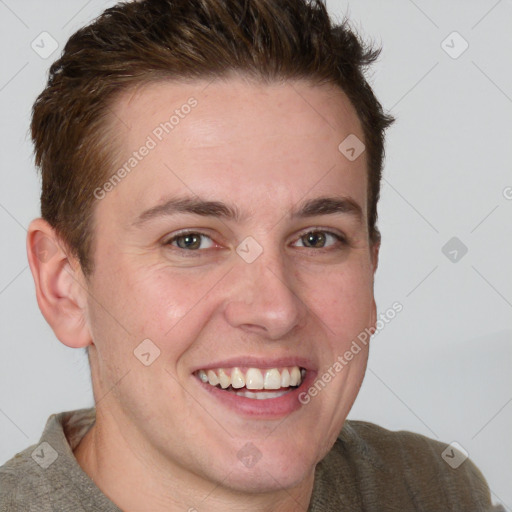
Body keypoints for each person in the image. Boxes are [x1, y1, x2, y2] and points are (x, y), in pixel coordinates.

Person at [0, 0, 503, 510]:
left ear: (371, 266)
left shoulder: (435, 491)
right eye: (190, 241)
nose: (275, 310)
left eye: (316, 238)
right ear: (64, 286)